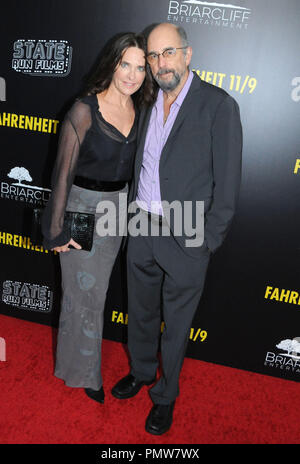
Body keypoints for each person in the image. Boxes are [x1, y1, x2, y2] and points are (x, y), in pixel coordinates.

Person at [112, 23, 243, 434]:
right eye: (153, 56)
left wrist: (207, 240)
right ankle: (142, 371)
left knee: (178, 324)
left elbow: (228, 182)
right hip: (140, 225)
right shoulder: (148, 100)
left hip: (187, 236)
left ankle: (165, 396)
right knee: (142, 312)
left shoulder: (218, 105)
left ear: (187, 54)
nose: (159, 63)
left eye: (168, 52)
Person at [41, 32, 154, 404]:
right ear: (112, 63)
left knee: (96, 293)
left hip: (117, 211)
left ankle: (77, 366)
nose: (133, 75)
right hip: (81, 209)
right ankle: (85, 374)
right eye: (126, 64)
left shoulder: (141, 112)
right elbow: (62, 175)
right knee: (80, 295)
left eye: (140, 67)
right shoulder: (84, 110)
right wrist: (57, 232)